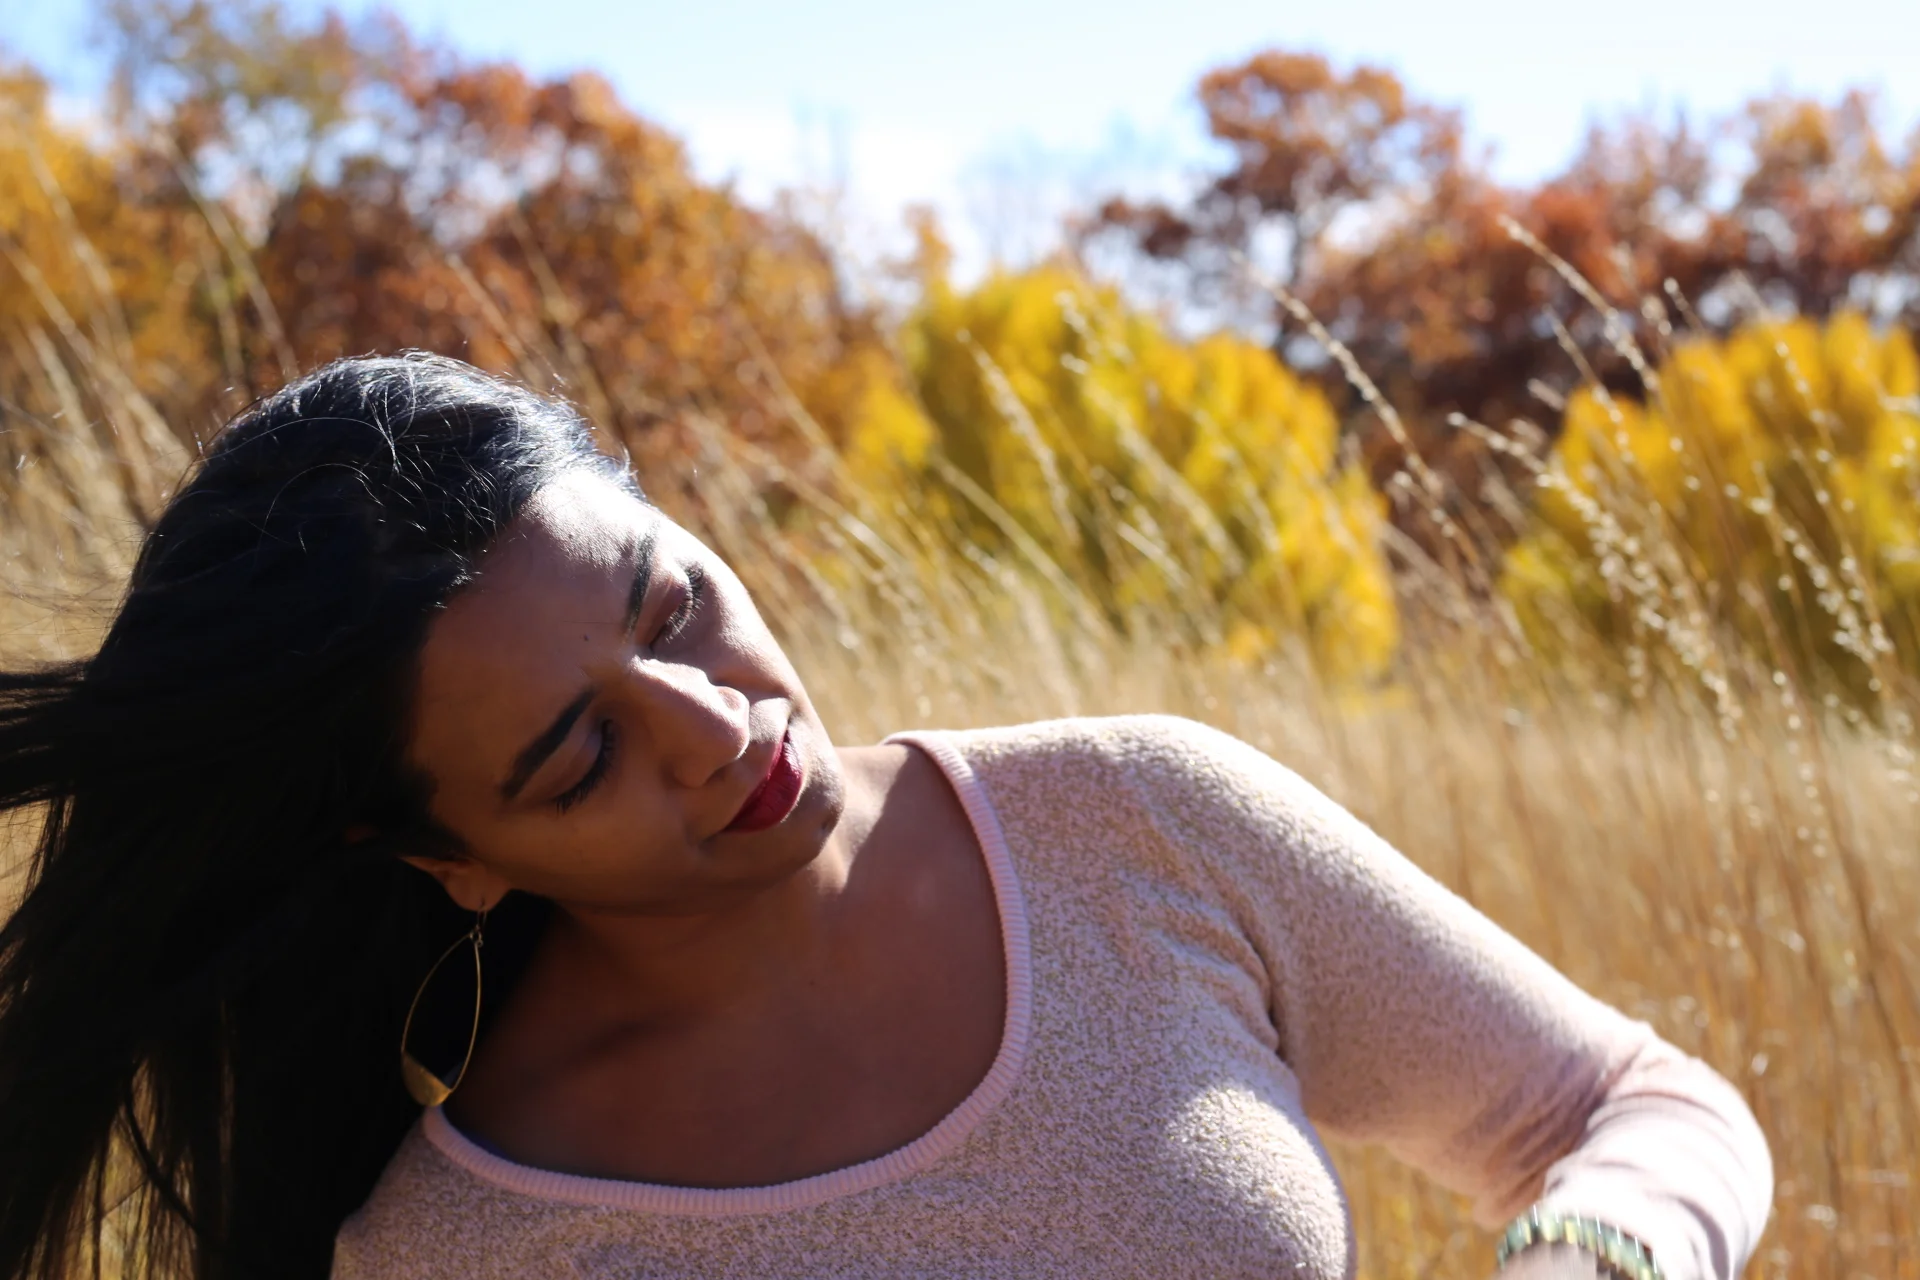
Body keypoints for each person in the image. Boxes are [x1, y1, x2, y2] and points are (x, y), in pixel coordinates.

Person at [0, 355, 1770, 1280]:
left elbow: (1622, 1107)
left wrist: (1592, 1255)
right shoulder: (468, 1250)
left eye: (672, 602)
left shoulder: (1137, 823)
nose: (715, 728)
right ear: (446, 852)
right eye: (576, 760)